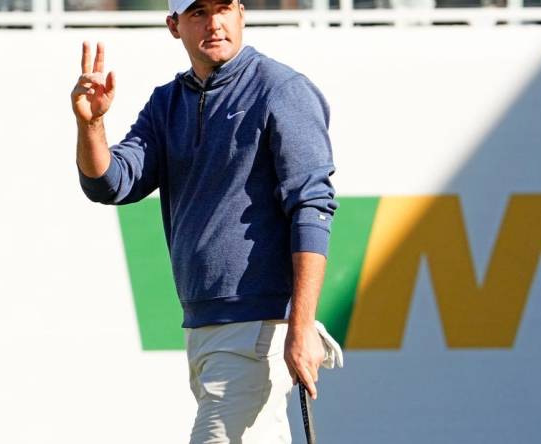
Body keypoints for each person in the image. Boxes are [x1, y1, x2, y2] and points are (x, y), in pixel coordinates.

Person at [70, 0, 340, 441]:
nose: (213, 23)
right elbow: (111, 183)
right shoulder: (167, 102)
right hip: (202, 329)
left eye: (223, 8)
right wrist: (92, 125)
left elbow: (311, 208)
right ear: (174, 26)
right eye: (197, 12)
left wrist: (301, 326)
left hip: (258, 328)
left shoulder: (281, 89)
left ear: (242, 14)